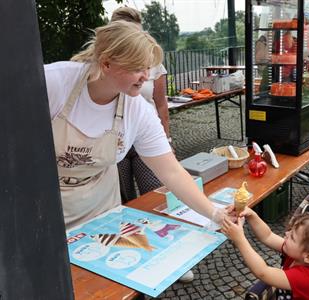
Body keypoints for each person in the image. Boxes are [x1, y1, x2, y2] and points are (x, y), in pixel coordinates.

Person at [45, 21, 227, 230]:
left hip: (100, 208)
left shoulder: (138, 110)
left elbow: (172, 172)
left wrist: (215, 214)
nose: (146, 76)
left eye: (148, 67)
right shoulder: (54, 82)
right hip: (44, 203)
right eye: (138, 68)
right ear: (106, 64)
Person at [111, 7, 169, 200]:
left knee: (155, 194)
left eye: (138, 34)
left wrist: (166, 140)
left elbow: (161, 104)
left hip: (144, 135)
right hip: (112, 139)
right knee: (123, 198)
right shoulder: (105, 67)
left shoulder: (155, 64)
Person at [222, 210, 309, 299]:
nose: (286, 233)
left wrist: (240, 240)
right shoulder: (297, 254)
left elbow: (262, 272)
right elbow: (268, 236)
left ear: (308, 257)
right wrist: (252, 215)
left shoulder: (306, 278)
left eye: (292, 237)